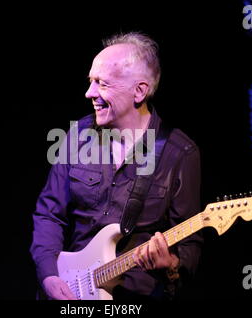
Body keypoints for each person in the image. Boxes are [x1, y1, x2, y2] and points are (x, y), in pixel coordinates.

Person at [30, 32, 203, 300]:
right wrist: (49, 275)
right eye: (91, 82)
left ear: (139, 91)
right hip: (73, 292)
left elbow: (190, 247)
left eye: (102, 84)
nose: (90, 93)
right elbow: (49, 213)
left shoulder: (180, 153)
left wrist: (169, 264)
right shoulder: (78, 136)